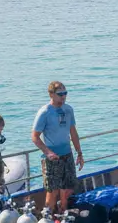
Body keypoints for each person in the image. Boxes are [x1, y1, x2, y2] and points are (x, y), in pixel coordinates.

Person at [32, 81, 84, 213]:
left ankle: (64, 217)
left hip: (67, 154)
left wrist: (79, 152)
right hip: (52, 158)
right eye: (60, 94)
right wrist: (48, 152)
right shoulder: (44, 112)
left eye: (65, 93)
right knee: (53, 191)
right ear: (51, 94)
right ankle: (48, 220)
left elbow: (73, 132)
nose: (63, 96)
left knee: (67, 190)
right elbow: (35, 137)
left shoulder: (68, 110)